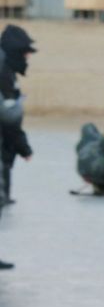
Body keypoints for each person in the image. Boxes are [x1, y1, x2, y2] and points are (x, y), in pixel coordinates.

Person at [1, 24, 35, 211]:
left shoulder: (7, 71)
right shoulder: (4, 74)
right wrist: (24, 148)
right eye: (25, 54)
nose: (27, 58)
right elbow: (8, 118)